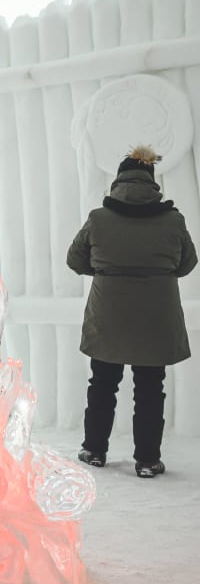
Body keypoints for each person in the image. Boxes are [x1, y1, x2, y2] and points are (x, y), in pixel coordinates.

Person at [67, 145, 196, 478]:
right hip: (157, 317)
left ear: (118, 180)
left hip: (107, 316)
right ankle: (148, 461)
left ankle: (94, 450)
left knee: (103, 383)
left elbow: (75, 260)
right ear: (152, 182)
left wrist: (108, 270)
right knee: (151, 387)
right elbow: (187, 263)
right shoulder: (173, 220)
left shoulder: (98, 218)